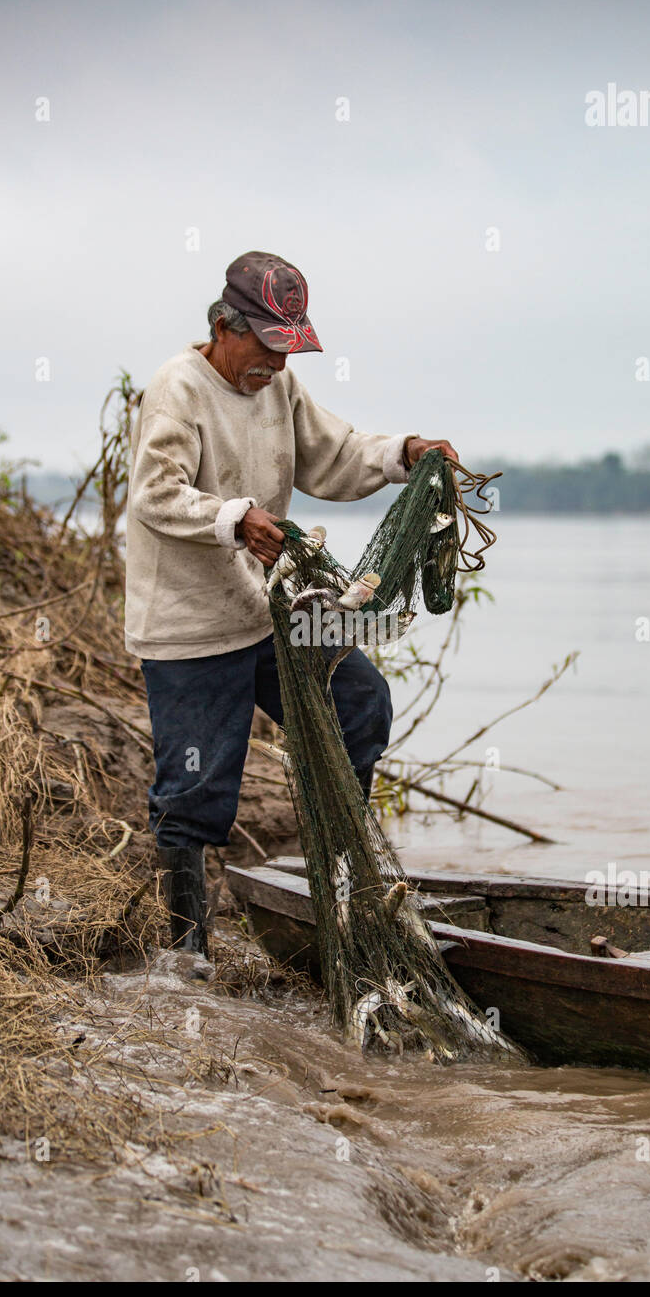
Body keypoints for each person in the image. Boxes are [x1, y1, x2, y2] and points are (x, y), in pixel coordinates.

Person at [125, 250, 457, 971]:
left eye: (287, 349)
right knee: (195, 788)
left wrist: (404, 453)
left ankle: (338, 891)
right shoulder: (176, 390)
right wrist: (235, 518)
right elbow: (155, 495)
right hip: (190, 626)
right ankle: (185, 957)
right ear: (224, 326)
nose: (276, 365)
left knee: (361, 703)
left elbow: (334, 454)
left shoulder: (278, 388)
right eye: (268, 346)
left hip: (268, 612)